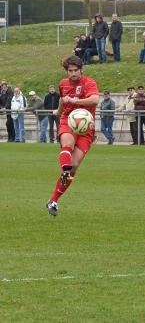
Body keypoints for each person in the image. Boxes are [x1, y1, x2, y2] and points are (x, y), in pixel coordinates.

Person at [46, 56, 100, 216]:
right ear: (66, 71)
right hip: (68, 121)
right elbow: (63, 100)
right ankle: (65, 170)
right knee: (67, 144)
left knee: (74, 165)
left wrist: (77, 101)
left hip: (85, 128)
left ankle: (53, 200)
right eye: (70, 71)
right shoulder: (63, 83)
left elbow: (95, 99)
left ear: (81, 70)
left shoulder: (89, 82)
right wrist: (59, 112)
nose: (73, 73)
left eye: (76, 70)